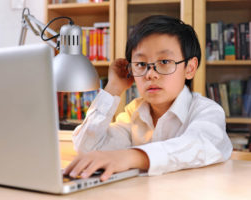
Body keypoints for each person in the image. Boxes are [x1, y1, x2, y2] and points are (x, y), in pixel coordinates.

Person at [63, 15, 233, 181]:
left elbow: (200, 145)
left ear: (189, 68)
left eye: (165, 62)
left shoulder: (207, 111)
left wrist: (131, 157)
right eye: (141, 64)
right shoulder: (133, 113)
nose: (150, 74)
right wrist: (113, 88)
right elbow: (86, 147)